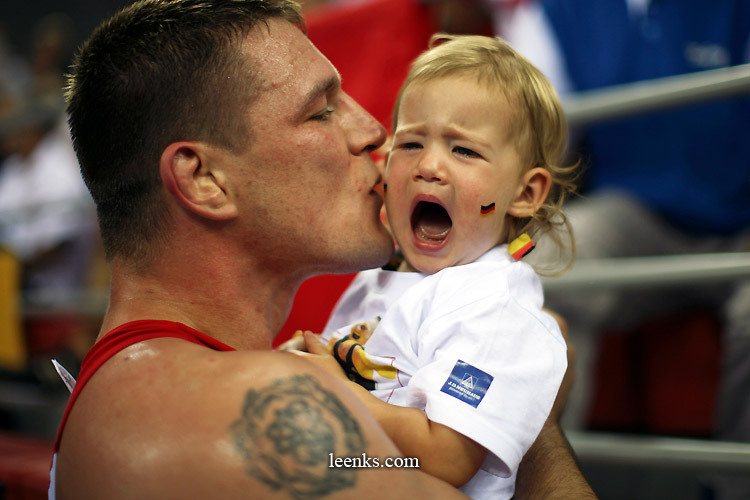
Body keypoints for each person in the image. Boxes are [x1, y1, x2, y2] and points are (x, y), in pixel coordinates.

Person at [51, 1, 595, 499]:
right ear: (204, 180)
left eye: (465, 150)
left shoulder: (139, 390)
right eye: (322, 111)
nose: (376, 132)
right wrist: (530, 413)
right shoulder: (269, 406)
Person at [292, 34, 578, 500]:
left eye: (464, 150)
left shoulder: (492, 307)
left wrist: (331, 390)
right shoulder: (384, 273)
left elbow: (447, 458)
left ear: (525, 194)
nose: (428, 166)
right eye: (410, 143)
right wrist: (304, 361)